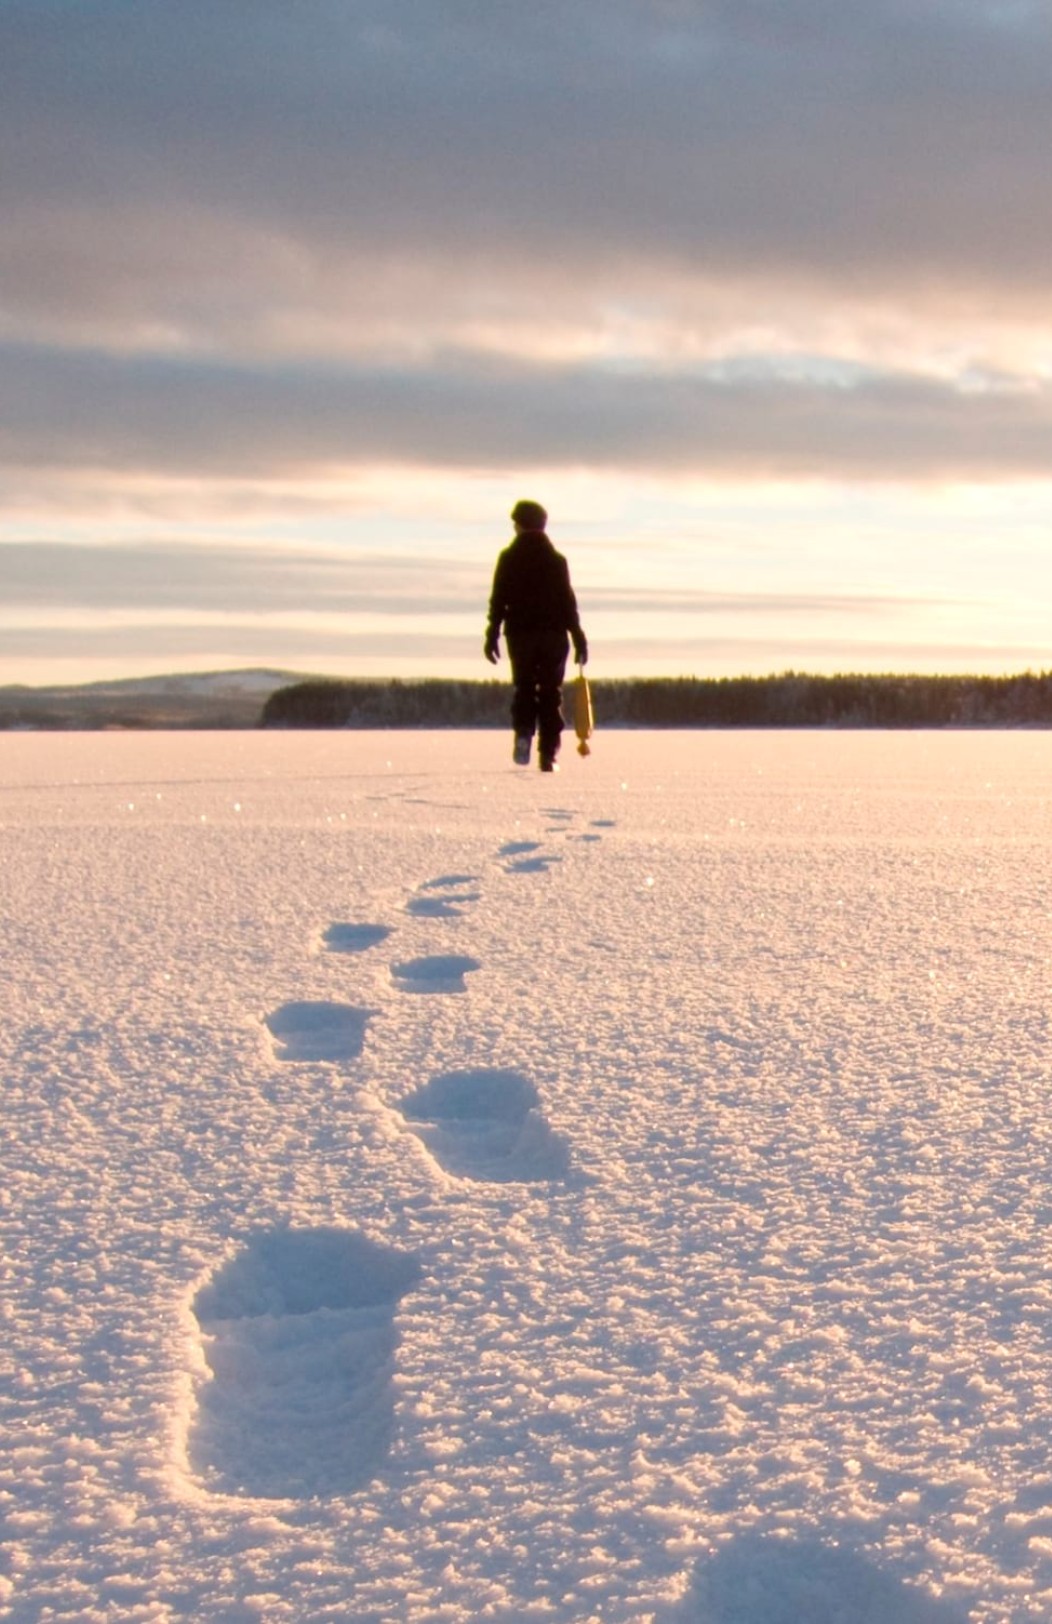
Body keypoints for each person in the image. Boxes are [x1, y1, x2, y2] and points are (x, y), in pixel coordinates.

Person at [484, 499, 588, 771]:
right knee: (551, 692)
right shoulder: (557, 561)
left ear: (520, 525)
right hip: (554, 636)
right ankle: (548, 753)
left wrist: (492, 633)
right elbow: (568, 602)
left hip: (520, 635)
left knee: (525, 687)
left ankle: (523, 734)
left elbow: (498, 600)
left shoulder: (508, 558)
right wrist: (577, 635)